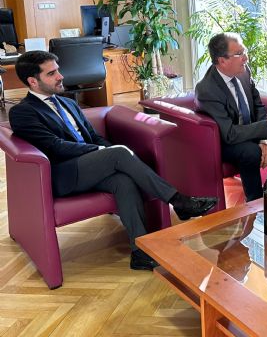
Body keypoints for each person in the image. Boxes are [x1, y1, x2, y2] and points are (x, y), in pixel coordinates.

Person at [9, 51, 218, 271]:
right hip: (64, 175)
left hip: (90, 167)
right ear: (33, 81)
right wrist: (105, 152)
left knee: (122, 181)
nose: (61, 76)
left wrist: (105, 152)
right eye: (51, 73)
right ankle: (179, 201)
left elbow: (94, 136)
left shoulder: (68, 103)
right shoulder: (23, 112)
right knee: (118, 153)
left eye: (58, 70)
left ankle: (140, 252)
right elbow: (55, 147)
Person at [195, 32, 267, 201]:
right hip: (227, 142)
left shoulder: (243, 72)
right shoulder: (207, 89)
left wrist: (265, 139)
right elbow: (229, 134)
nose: (245, 58)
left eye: (244, 51)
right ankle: (254, 201)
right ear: (222, 61)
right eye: (239, 54)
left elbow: (258, 105)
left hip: (252, 131)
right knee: (251, 151)